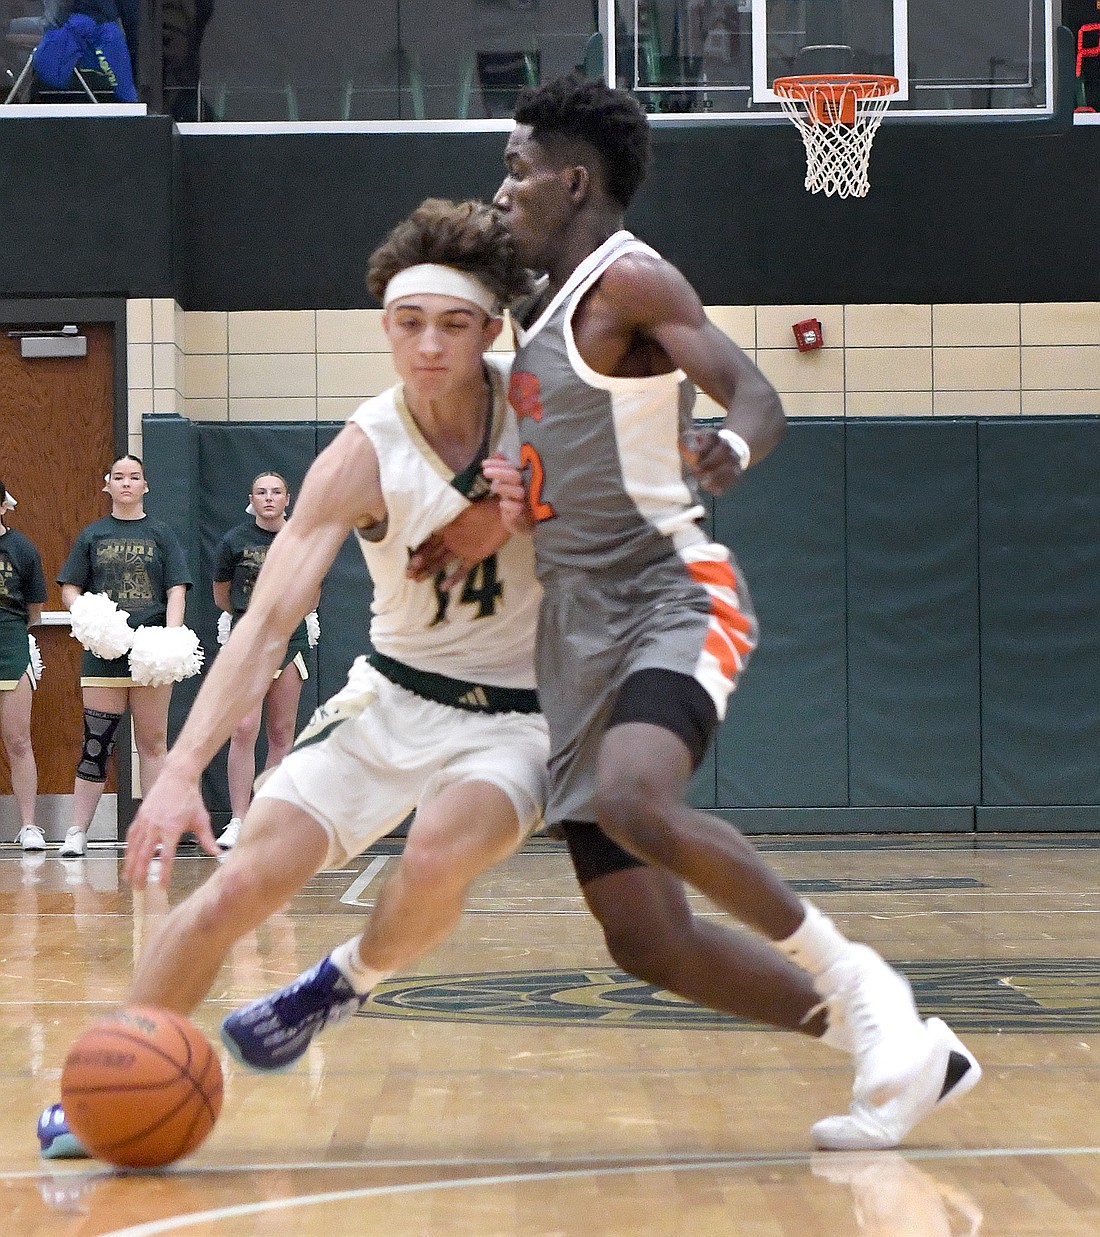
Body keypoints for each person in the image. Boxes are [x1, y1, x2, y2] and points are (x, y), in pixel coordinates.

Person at [479, 75, 979, 1152]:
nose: (502, 188)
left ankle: (868, 983)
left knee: (634, 798)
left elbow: (756, 392)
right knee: (644, 939)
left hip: (670, 591)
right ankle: (894, 1049)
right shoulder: (531, 313)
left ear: (573, 179)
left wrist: (732, 446)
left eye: (518, 169)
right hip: (571, 627)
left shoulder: (631, 282)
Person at [38, 198, 551, 1159]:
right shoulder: (363, 450)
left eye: (452, 325)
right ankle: (109, 1075)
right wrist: (183, 769)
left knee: (437, 849)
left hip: (520, 717)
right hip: (391, 696)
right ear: (385, 330)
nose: (429, 347)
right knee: (235, 885)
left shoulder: (547, 414)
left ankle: (340, 979)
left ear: (490, 329)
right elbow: (266, 620)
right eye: (408, 325)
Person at [55, 454, 192, 858]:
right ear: (108, 485)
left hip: (150, 653)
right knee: (97, 741)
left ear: (145, 485)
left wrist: (170, 638)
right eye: (119, 477)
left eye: (134, 477)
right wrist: (89, 619)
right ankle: (77, 830)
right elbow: (70, 587)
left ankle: (153, 831)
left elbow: (176, 590)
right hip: (104, 653)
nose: (127, 483)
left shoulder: (162, 534)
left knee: (152, 743)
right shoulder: (92, 534)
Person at [212, 471, 314, 851]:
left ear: (288, 499)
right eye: (261, 492)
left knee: (281, 732)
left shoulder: (302, 536)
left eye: (276, 492)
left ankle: (268, 819)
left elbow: (314, 595)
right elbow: (222, 595)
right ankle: (238, 820)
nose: (268, 498)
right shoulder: (234, 541)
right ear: (251, 499)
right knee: (243, 729)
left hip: (290, 637)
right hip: (248, 640)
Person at [0, 481, 47, 851]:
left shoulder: (22, 547)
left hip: (12, 644)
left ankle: (29, 825)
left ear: (3, 507)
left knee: (18, 739)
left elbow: (34, 612)